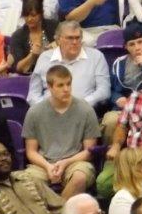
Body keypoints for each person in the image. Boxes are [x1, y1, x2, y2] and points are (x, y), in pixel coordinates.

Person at [23, 65, 100, 199]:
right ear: (49, 87)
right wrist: (47, 166)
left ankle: (60, 211)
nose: (66, 89)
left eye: (68, 84)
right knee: (26, 181)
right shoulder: (34, 112)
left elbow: (89, 151)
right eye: (60, 85)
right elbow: (31, 151)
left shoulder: (86, 110)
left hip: (75, 162)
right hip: (44, 163)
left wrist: (65, 163)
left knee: (80, 177)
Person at [26, 20, 110, 108]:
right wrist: (44, 109)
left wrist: (82, 105)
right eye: (70, 38)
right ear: (58, 40)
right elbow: (33, 93)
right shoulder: (44, 58)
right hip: (49, 111)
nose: (74, 42)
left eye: (77, 38)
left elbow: (104, 90)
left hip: (83, 111)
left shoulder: (96, 56)